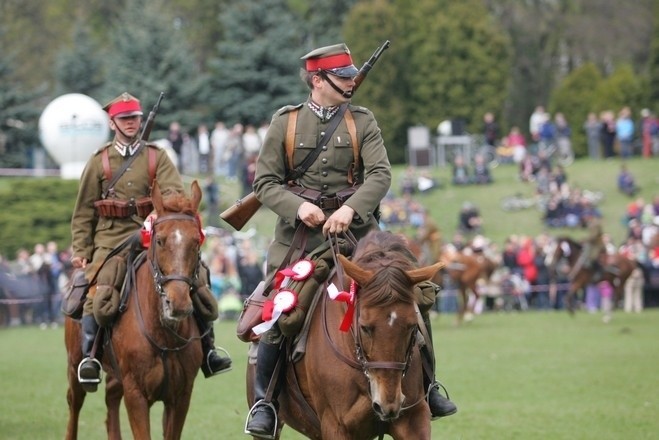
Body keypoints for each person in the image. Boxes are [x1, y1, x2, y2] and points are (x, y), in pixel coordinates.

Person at [246, 43, 456, 437]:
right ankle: (265, 402)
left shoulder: (363, 121)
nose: (350, 82)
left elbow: (380, 174)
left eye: (349, 75)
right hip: (302, 242)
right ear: (317, 80)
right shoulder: (286, 123)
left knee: (415, 299)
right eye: (341, 77)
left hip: (361, 239)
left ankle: (428, 387)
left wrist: (350, 210)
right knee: (280, 312)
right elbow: (264, 183)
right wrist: (298, 208)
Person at [70, 92, 231, 393]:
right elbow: (83, 212)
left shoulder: (157, 156)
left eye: (135, 118)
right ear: (112, 122)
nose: (131, 123)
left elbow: (175, 194)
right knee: (101, 286)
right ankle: (90, 357)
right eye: (124, 119)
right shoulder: (99, 162)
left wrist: (161, 210)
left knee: (196, 277)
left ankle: (208, 349)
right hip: (111, 238)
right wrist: (81, 250)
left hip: (154, 233)